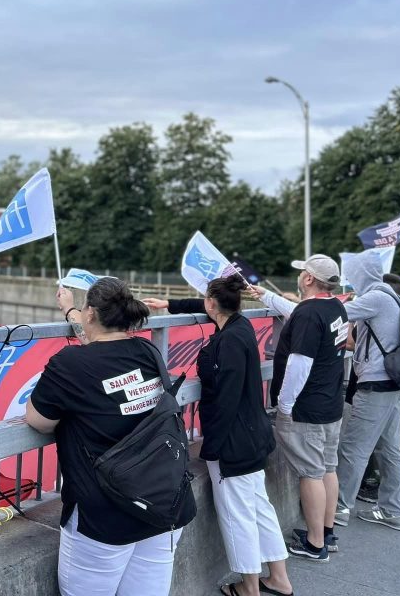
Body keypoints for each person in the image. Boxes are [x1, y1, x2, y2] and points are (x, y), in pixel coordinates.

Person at [25, 278, 188, 596]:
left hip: (104, 517)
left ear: (91, 314)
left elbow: (38, 420)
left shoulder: (70, 364)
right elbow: (104, 352)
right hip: (163, 503)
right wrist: (72, 310)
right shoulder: (147, 351)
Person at [144, 276, 292, 596]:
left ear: (213, 303)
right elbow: (206, 305)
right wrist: (169, 305)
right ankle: (279, 578)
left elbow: (225, 399)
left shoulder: (228, 342)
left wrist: (212, 447)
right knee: (258, 506)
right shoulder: (239, 326)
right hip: (253, 434)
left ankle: (249, 588)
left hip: (233, 443)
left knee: (237, 514)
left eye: (205, 300)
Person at [248, 254, 349, 561]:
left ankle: (315, 544)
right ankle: (327, 532)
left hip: (307, 410)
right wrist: (266, 296)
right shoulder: (334, 307)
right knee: (327, 469)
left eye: (302, 272)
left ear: (308, 279)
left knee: (311, 474)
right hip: (331, 404)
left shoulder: (308, 315)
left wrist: (285, 406)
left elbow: (299, 364)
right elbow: (301, 312)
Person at [334, 249, 400, 531]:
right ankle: (393, 511)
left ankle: (339, 507)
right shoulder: (390, 295)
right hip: (393, 383)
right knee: (388, 449)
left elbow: (331, 313)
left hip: (376, 384)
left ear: (361, 274)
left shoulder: (375, 298)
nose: (350, 280)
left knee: (354, 447)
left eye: (352, 275)